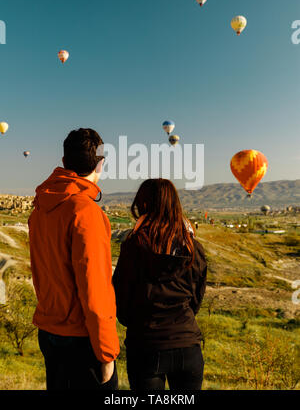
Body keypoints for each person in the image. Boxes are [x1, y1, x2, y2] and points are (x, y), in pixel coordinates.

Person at [28, 128, 119, 390]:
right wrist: (106, 352)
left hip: (49, 330)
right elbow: (95, 288)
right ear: (101, 163)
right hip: (81, 340)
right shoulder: (85, 212)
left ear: (65, 162)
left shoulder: (40, 210)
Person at [113, 179, 207, 391]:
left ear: (142, 205)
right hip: (187, 344)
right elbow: (196, 298)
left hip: (146, 345)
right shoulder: (193, 248)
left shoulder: (133, 246)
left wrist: (134, 321)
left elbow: (121, 295)